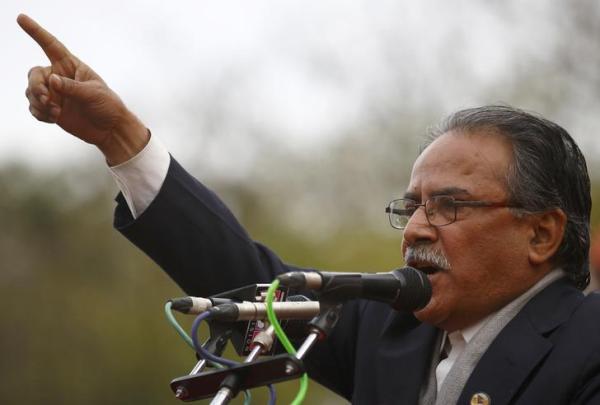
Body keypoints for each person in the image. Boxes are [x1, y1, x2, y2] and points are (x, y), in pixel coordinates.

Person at [18, 14, 600, 405]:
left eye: (449, 206)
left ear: (541, 233)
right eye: (412, 205)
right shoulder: (388, 330)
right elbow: (248, 279)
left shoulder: (588, 346)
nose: (417, 228)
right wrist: (120, 139)